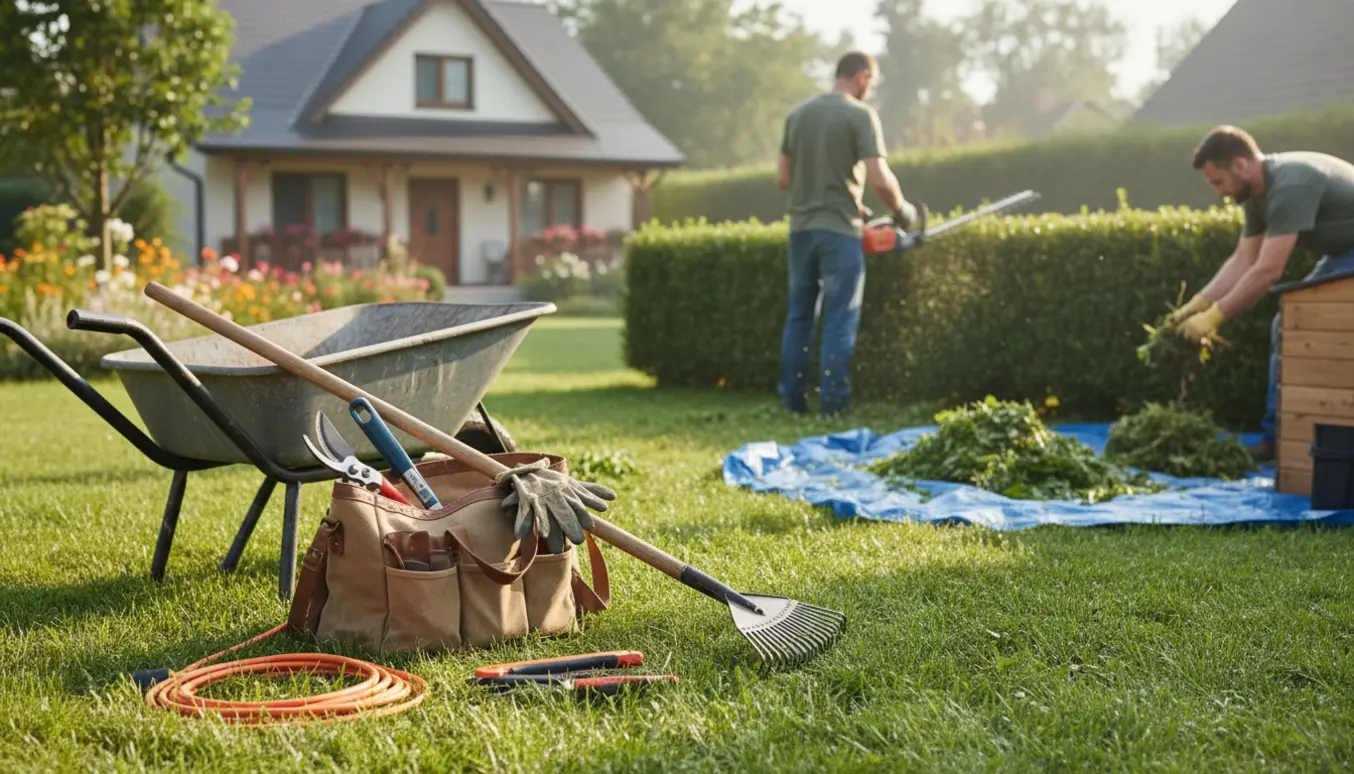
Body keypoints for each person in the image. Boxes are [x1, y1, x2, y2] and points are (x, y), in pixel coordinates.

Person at [1174, 125, 1354, 460]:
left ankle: (1279, 439)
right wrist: (1196, 305)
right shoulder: (1256, 196)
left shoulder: (1291, 184)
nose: (1218, 193)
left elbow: (1269, 269)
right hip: (1344, 252)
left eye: (1218, 182)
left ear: (1241, 165)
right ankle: (1282, 437)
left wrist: (1215, 316)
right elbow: (1243, 259)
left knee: (1296, 326)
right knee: (1289, 326)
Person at [775, 51, 918, 417]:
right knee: (840, 316)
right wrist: (903, 212)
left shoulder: (799, 115)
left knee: (799, 316)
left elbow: (784, 180)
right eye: (871, 81)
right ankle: (834, 405)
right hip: (838, 232)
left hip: (800, 230)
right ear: (862, 75)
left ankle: (792, 402)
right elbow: (880, 179)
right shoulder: (859, 114)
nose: (870, 88)